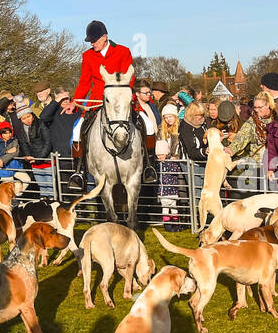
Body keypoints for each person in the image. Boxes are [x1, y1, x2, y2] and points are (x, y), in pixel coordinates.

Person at [69, 19, 156, 184]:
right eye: (90, 41)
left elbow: (130, 79)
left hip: (121, 99)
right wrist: (74, 102)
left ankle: (148, 166)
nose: (92, 43)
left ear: (105, 37)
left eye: (94, 40)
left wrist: (122, 96)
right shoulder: (87, 56)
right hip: (96, 99)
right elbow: (84, 83)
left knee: (148, 125)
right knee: (77, 130)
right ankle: (79, 171)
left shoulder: (123, 51)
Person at [12, 103, 53, 197]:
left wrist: (39, 158)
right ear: (20, 120)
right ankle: (44, 205)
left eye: (28, 116)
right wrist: (28, 156)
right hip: (34, 161)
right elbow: (24, 144)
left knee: (50, 185)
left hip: (46, 159)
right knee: (41, 185)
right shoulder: (21, 130)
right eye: (24, 118)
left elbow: (48, 143)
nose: (27, 120)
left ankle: (52, 205)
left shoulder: (41, 124)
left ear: (32, 115)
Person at [156, 104, 185, 230]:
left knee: (181, 192)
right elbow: (158, 146)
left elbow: (180, 147)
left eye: (170, 117)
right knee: (168, 195)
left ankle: (183, 219)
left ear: (175, 116)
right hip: (166, 164)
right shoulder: (161, 130)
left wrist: (176, 156)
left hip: (177, 163)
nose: (168, 120)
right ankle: (169, 223)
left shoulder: (180, 129)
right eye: (166, 117)